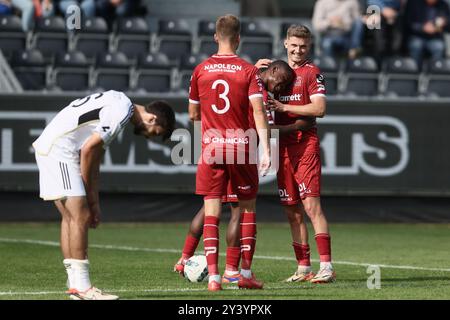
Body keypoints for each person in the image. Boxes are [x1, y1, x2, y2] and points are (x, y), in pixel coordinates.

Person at [175, 60, 313, 285]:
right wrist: (296, 127)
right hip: (240, 150)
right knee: (239, 210)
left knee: (210, 206)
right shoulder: (260, 92)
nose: (280, 88)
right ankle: (231, 270)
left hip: (215, 143)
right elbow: (264, 127)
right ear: (274, 70)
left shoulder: (243, 73)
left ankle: (184, 258)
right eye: (281, 82)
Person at [32, 90, 175, 300]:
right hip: (61, 149)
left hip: (54, 145)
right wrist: (88, 198)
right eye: (153, 132)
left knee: (71, 217)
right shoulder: (122, 111)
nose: (148, 136)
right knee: (80, 216)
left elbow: (95, 155)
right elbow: (89, 150)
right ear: (152, 118)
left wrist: (94, 201)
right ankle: (83, 288)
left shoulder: (118, 100)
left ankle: (75, 285)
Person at [188, 14, 271, 292]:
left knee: (212, 212)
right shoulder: (248, 71)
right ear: (238, 38)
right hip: (241, 147)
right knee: (245, 210)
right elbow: (259, 111)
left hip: (211, 147)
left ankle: (213, 278)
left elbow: (192, 113)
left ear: (215, 36)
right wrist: (266, 148)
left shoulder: (200, 70)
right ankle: (238, 273)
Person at [267, 25, 336, 284]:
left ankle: (327, 267)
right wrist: (256, 69)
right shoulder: (275, 73)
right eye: (294, 45)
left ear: (310, 46)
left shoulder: (312, 73)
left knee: (311, 206)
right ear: (285, 43)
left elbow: (319, 109)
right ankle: (303, 267)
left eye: (303, 46)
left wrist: (284, 105)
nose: (298, 50)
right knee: (291, 211)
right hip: (282, 148)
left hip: (304, 146)